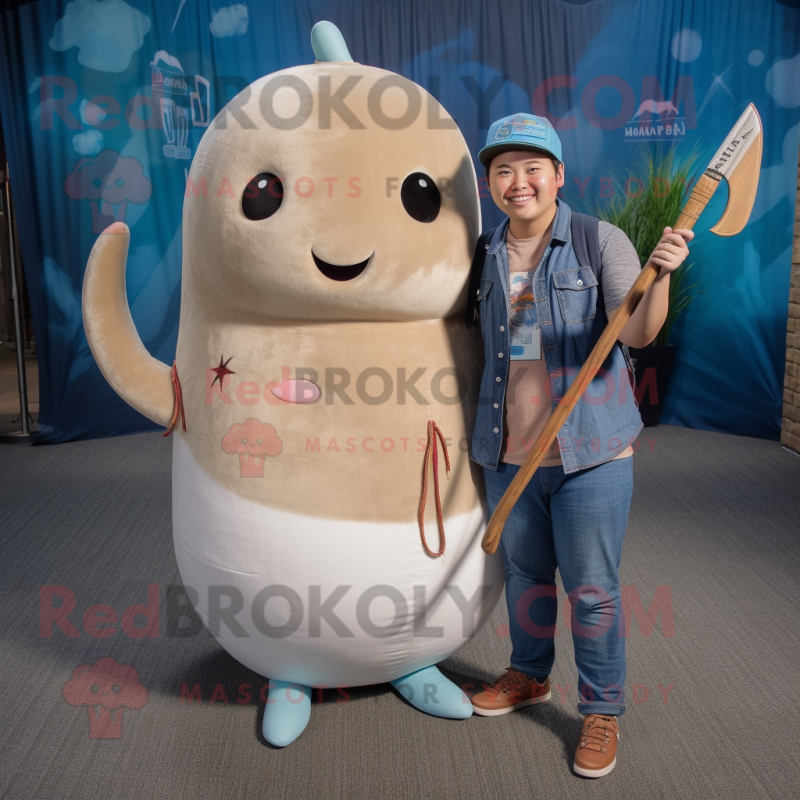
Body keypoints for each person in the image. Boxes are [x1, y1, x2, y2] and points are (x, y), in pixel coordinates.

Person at [467, 113, 692, 778]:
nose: (519, 182)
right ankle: (528, 674)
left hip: (590, 452)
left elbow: (640, 334)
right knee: (525, 576)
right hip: (508, 452)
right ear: (490, 182)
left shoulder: (599, 241)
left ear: (558, 176)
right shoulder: (482, 252)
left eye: (533, 168)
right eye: (504, 170)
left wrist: (664, 275)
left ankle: (601, 710)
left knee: (591, 591)